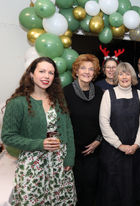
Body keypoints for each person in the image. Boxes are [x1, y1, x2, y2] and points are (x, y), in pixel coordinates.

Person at [1, 57, 76, 205]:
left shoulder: (58, 100)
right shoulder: (18, 103)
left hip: (59, 165)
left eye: (51, 72)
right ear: (31, 74)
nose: (46, 76)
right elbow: (8, 137)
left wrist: (70, 158)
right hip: (33, 164)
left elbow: (68, 129)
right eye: (42, 71)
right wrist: (39, 143)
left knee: (59, 202)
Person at [98, 62, 140, 206]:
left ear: (132, 76)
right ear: (116, 77)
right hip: (114, 152)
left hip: (134, 151)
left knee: (132, 189)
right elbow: (104, 123)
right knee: (113, 191)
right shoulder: (108, 94)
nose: (124, 77)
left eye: (127, 73)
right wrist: (120, 146)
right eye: (121, 73)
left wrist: (136, 144)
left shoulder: (139, 94)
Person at [64, 54, 103, 206]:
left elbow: (106, 121)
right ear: (76, 71)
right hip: (72, 152)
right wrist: (70, 148)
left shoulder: (100, 93)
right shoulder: (65, 92)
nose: (87, 72)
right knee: (75, 190)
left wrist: (97, 141)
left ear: (95, 73)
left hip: (94, 149)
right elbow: (62, 125)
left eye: (91, 69)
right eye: (83, 68)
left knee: (91, 188)